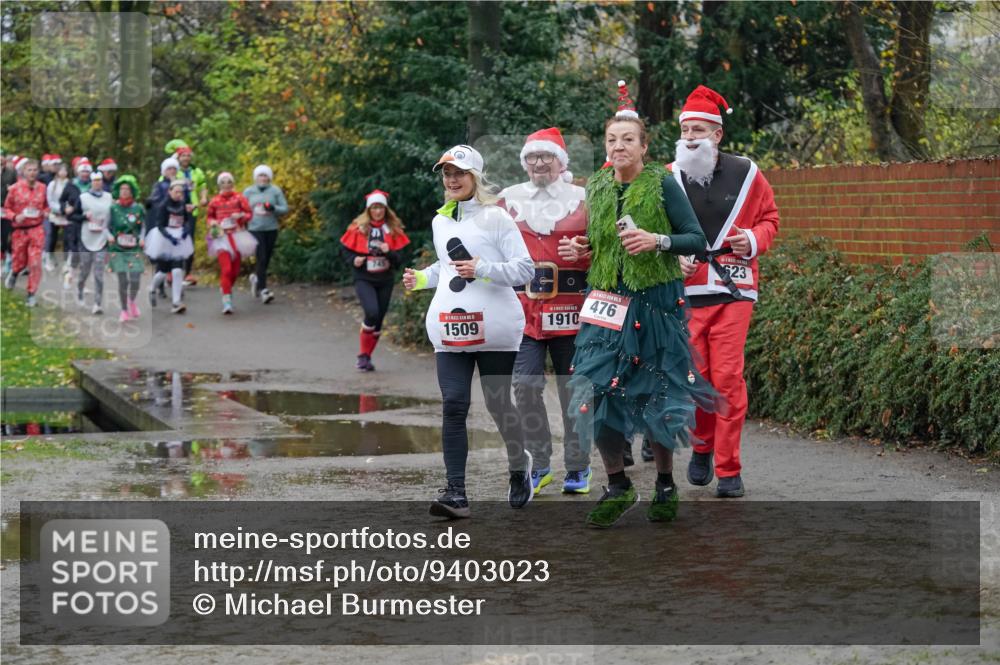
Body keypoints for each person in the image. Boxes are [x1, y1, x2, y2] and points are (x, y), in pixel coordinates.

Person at [559, 80, 716, 528]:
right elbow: (599, 240)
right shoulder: (598, 186)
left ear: (645, 146)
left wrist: (657, 240)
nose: (618, 146)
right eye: (611, 140)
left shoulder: (663, 184)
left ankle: (665, 482)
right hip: (605, 302)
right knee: (593, 392)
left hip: (655, 304)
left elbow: (696, 240)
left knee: (656, 394)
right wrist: (581, 249)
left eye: (628, 139)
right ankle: (618, 484)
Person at [403, 145, 535, 518]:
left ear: (475, 176)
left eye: (459, 173)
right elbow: (447, 267)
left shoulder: (497, 218)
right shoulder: (440, 221)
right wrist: (421, 279)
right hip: (450, 330)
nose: (452, 179)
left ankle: (518, 465)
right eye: (446, 174)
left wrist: (483, 269)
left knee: (497, 404)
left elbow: (525, 270)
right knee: (453, 404)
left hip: (495, 328)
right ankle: (455, 493)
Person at [668, 85, 780, 499]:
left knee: (728, 377)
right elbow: (653, 231)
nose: (692, 136)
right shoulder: (667, 176)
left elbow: (770, 218)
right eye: (686, 130)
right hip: (688, 288)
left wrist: (751, 239)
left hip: (735, 287)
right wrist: (671, 255)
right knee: (698, 379)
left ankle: (729, 468)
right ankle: (702, 445)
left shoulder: (748, 171)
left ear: (717, 134)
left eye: (700, 129)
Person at [498, 127, 593, 495]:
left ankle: (578, 467)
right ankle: (539, 463)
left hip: (572, 308)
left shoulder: (584, 200)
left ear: (560, 161)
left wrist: (585, 253)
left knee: (574, 391)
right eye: (532, 158)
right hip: (522, 310)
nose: (539, 163)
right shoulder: (506, 200)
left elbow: (606, 249)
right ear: (525, 163)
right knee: (523, 387)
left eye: (546, 156)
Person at [340, 189, 411, 371]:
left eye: (380, 207)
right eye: (374, 208)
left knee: (379, 319)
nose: (378, 211)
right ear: (369, 209)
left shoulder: (393, 229)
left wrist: (389, 252)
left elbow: (399, 260)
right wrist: (353, 260)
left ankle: (366, 357)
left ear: (385, 209)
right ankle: (362, 356)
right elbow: (345, 250)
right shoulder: (358, 227)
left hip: (385, 278)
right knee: (371, 312)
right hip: (364, 277)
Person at [205, 172, 256, 315]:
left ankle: (226, 287)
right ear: (219, 185)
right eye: (223, 182)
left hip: (238, 236)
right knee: (226, 269)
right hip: (221, 237)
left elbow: (249, 214)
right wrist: (213, 222)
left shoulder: (240, 197)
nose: (226, 185)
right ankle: (226, 300)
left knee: (234, 271)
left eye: (229, 182)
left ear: (232, 184)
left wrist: (241, 216)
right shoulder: (214, 200)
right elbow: (209, 217)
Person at [2, 159, 49, 306]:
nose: (33, 173)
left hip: (36, 229)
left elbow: (47, 205)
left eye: (35, 170)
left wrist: (46, 212)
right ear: (23, 172)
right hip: (19, 230)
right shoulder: (15, 188)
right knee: (20, 262)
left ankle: (31, 294)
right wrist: (16, 216)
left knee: (35, 263)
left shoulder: (43, 188)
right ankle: (15, 273)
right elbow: (6, 209)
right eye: (29, 170)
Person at [145, 181, 194, 314]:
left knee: (177, 270)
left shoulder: (183, 205)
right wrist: (169, 237)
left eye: (181, 192)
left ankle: (176, 302)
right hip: (164, 239)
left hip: (179, 239)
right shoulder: (163, 205)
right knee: (162, 272)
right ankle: (152, 288)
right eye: (176, 192)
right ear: (170, 192)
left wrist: (185, 231)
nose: (179, 194)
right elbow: (159, 225)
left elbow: (186, 221)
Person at [244, 164, 288, 304]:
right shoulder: (249, 191)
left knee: (266, 258)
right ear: (255, 178)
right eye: (260, 176)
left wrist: (273, 208)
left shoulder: (275, 191)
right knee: (261, 257)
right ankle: (264, 290)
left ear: (269, 178)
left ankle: (257, 278)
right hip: (254, 228)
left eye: (265, 176)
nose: (263, 178)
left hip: (271, 228)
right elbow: (242, 208)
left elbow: (284, 208)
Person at [107, 175, 146, 322]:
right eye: (122, 189)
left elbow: (143, 226)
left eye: (127, 189)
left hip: (134, 248)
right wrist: (109, 236)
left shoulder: (138, 208)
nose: (124, 192)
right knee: (123, 280)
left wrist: (142, 238)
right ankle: (123, 310)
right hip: (117, 249)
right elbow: (105, 226)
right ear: (118, 191)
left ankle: (132, 300)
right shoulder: (113, 208)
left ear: (132, 191)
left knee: (135, 279)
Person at [77, 170, 113, 314]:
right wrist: (84, 216)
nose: (97, 183)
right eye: (95, 180)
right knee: (85, 270)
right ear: (91, 182)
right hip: (86, 237)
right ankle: (79, 289)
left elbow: (113, 217)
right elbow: (74, 216)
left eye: (100, 180)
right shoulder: (83, 197)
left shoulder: (109, 197)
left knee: (99, 273)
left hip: (102, 238)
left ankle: (97, 304)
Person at [59, 157, 93, 290]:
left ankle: (81, 283)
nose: (85, 174)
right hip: (73, 222)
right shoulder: (71, 185)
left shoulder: (93, 185)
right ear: (78, 172)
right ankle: (68, 277)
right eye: (82, 172)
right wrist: (64, 208)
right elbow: (62, 201)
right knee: (74, 252)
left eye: (87, 172)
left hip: (88, 223)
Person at [44, 161, 70, 273]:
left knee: (67, 238)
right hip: (55, 215)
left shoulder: (70, 184)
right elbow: (50, 200)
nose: (63, 172)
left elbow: (72, 198)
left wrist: (67, 209)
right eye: (61, 170)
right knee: (52, 237)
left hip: (67, 215)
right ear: (58, 172)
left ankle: (67, 262)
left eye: (65, 170)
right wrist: (59, 209)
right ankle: (49, 258)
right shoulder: (52, 184)